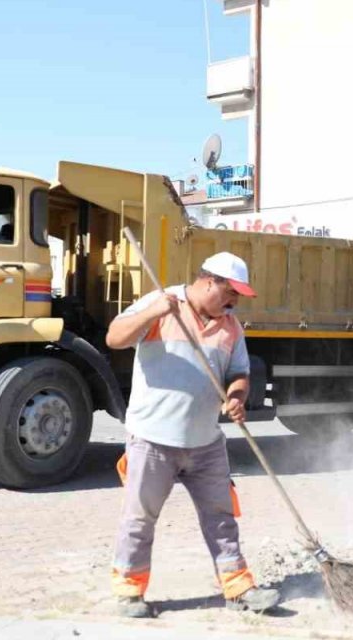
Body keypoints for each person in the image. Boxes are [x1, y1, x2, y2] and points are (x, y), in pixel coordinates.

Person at [104, 251, 281, 619]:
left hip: (205, 443)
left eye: (238, 297)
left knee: (221, 518)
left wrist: (236, 397)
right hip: (153, 440)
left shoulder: (231, 326)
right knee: (139, 518)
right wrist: (154, 313)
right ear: (209, 282)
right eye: (230, 292)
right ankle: (128, 592)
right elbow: (115, 338)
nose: (234, 302)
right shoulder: (161, 302)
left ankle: (238, 588)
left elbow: (239, 373)